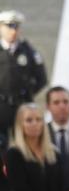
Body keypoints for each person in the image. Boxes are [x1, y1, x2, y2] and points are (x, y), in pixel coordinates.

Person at [0, 10, 47, 150]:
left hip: (22, 106)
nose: (13, 31)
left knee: (24, 147)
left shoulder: (27, 51)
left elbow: (41, 78)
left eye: (16, 27)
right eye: (9, 26)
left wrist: (27, 93)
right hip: (0, 106)